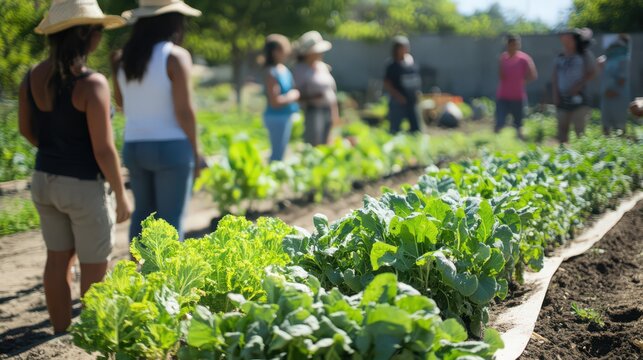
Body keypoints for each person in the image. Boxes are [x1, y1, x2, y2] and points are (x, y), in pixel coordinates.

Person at [18, 0, 131, 333]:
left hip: (44, 181)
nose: (99, 37)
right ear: (85, 35)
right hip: (83, 187)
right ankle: (94, 335)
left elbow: (27, 130)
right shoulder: (92, 84)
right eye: (97, 30)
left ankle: (60, 333)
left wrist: (56, 151)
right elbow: (103, 148)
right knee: (95, 267)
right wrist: (122, 195)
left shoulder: (33, 77)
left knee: (57, 260)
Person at [113, 0, 202, 241]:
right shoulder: (175, 56)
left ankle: (136, 275)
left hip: (134, 146)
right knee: (171, 218)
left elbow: (122, 104)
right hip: (171, 147)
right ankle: (166, 279)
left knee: (143, 215)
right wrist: (196, 152)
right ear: (173, 21)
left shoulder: (122, 59)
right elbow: (184, 111)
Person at [293, 31, 339, 146]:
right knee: (313, 143)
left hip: (327, 109)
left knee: (326, 142)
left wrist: (335, 113)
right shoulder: (300, 69)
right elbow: (295, 93)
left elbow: (331, 91)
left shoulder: (322, 67)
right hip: (313, 110)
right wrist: (312, 97)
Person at [552, 28, 597, 144]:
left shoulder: (584, 55)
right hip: (562, 99)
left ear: (574, 39)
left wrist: (579, 85)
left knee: (580, 132)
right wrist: (555, 94)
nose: (563, 38)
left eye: (567, 36)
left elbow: (592, 72)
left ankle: (582, 156)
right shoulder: (560, 56)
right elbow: (555, 76)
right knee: (562, 131)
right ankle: (562, 156)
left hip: (580, 98)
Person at [262, 34, 300, 161]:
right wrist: (292, 96)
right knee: (277, 154)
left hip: (285, 116)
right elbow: (275, 102)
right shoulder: (271, 72)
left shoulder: (283, 69)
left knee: (282, 152)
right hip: (276, 117)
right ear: (275, 52)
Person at [495, 34, 538, 139]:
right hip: (503, 96)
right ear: (508, 45)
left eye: (516, 44)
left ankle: (520, 143)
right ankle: (496, 143)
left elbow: (533, 75)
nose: (513, 46)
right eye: (511, 44)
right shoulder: (503, 58)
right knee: (499, 122)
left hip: (518, 96)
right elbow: (501, 76)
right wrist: (501, 63)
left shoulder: (524, 59)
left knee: (518, 124)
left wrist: (523, 81)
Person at [383, 36, 422, 134]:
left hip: (411, 101)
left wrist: (417, 94)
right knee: (394, 129)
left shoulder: (411, 62)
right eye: (402, 47)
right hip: (398, 102)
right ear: (396, 49)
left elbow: (416, 79)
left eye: (406, 46)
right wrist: (399, 97)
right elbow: (387, 84)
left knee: (416, 129)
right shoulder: (392, 65)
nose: (405, 49)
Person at [598, 34, 631, 135]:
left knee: (620, 125)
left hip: (618, 95)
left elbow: (622, 80)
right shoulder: (609, 59)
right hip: (606, 94)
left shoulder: (624, 60)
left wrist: (613, 90)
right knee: (606, 125)